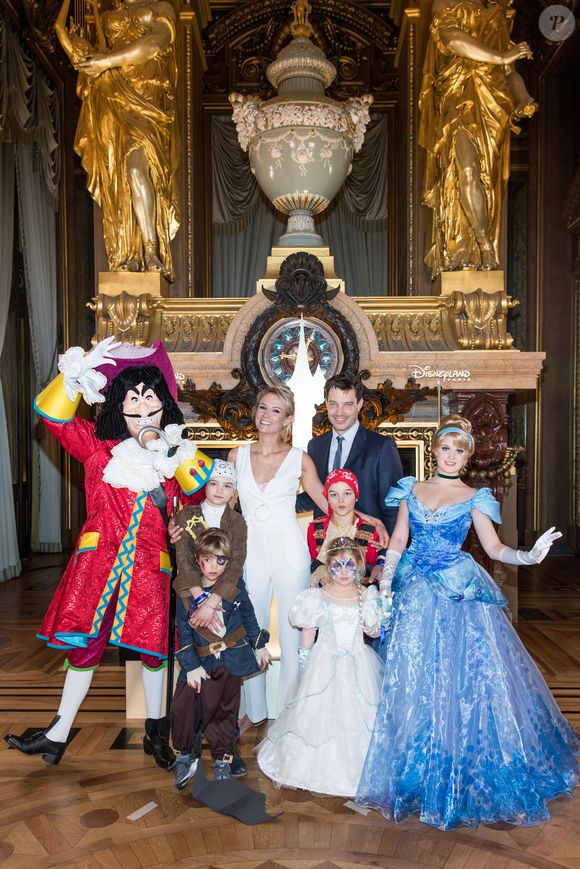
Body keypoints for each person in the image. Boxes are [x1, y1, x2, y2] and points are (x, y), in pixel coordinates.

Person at [356, 415, 580, 829]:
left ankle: (459, 762)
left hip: (459, 592)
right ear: (435, 449)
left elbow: (493, 549)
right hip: (416, 592)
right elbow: (400, 539)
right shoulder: (411, 489)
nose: (453, 456)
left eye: (461, 450)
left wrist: (529, 556)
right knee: (414, 678)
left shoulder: (475, 497)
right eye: (446, 448)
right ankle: (416, 766)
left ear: (469, 456)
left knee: (465, 680)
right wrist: (386, 576)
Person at [5, 339, 210, 769]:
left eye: (149, 398)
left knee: (155, 651)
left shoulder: (175, 457)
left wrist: (179, 495)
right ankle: (57, 735)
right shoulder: (98, 450)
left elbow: (205, 501)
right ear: (120, 406)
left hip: (151, 567)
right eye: (132, 399)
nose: (141, 407)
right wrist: (72, 378)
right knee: (83, 648)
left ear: (162, 406)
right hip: (97, 566)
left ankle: (157, 733)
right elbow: (51, 414)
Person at [55, 0, 180, 280]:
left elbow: (155, 44)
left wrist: (106, 61)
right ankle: (129, 253)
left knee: (137, 169)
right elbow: (63, 33)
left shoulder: (162, 7)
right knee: (118, 179)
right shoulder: (105, 11)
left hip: (146, 100)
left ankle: (151, 250)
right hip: (111, 99)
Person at [228, 384, 329, 725]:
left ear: (287, 420)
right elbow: (224, 508)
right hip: (250, 551)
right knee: (250, 630)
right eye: (262, 408)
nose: (266, 415)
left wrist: (363, 522)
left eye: (275, 411)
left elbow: (327, 501)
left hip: (289, 551)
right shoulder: (236, 456)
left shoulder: (299, 458)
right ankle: (254, 712)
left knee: (292, 630)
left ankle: (289, 711)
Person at [256, 537, 385, 797]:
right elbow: (307, 635)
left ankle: (359, 770)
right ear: (328, 568)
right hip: (323, 664)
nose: (345, 571)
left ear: (359, 566)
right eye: (338, 565)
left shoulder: (365, 596)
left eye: (350, 565)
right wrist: (304, 669)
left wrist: (383, 608)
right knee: (316, 716)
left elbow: (371, 630)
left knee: (359, 717)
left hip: (359, 664)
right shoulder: (317, 597)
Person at [418, 0, 537, 276]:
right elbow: (453, 38)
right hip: (459, 98)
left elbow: (510, 73)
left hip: (492, 105)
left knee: (488, 181)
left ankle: (482, 244)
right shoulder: (444, 3)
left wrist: (523, 99)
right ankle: (482, 244)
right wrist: (501, 56)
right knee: (466, 169)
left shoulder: (497, 14)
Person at [171, 529, 269, 787]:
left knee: (224, 713)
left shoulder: (235, 586)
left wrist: (259, 646)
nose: (213, 566)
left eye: (220, 560)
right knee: (183, 708)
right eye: (208, 559)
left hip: (229, 662)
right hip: (198, 663)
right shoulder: (185, 592)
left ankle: (222, 760)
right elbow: (182, 631)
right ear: (198, 559)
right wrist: (190, 667)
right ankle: (184, 757)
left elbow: (248, 616)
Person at [172, 458, 250, 776]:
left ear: (234, 492)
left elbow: (236, 562)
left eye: (227, 486)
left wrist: (215, 599)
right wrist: (198, 599)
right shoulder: (186, 516)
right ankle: (185, 751)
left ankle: (223, 750)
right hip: (192, 598)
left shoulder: (237, 521)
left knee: (223, 688)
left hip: (224, 601)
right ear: (205, 485)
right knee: (188, 692)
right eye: (214, 484)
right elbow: (185, 559)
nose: (219, 491)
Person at [296, 371, 403, 581]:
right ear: (325, 404)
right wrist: (276, 501)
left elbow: (393, 508)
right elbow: (317, 495)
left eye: (347, 404)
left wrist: (383, 560)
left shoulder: (381, 447)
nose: (339, 412)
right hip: (326, 556)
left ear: (360, 404)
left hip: (367, 557)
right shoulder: (315, 445)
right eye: (333, 404)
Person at [307, 469, 380, 586]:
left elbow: (371, 571)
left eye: (347, 493)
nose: (341, 500)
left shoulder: (371, 531)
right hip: (324, 594)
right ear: (327, 498)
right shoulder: (315, 528)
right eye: (334, 494)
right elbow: (313, 564)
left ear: (356, 496)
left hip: (358, 596)